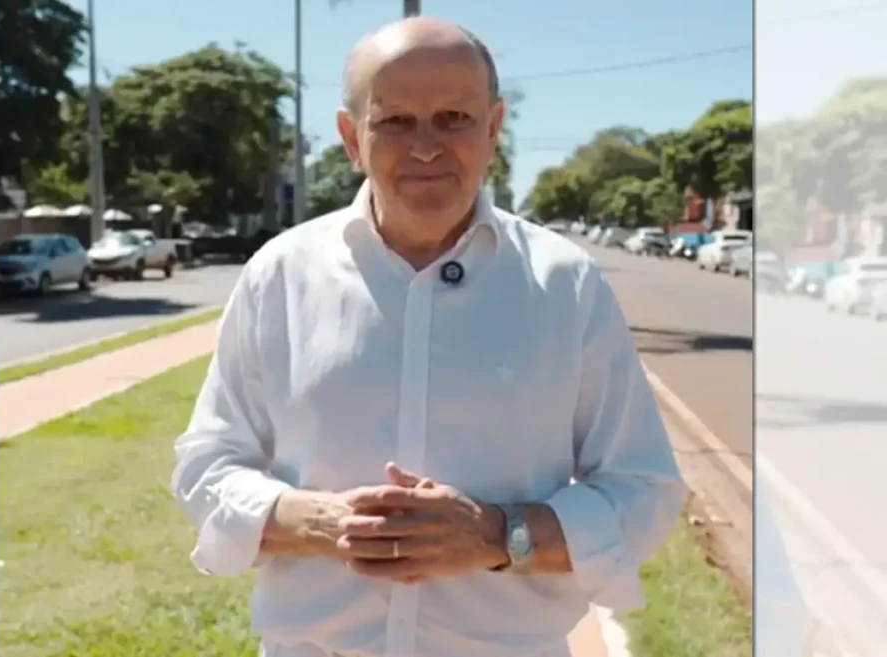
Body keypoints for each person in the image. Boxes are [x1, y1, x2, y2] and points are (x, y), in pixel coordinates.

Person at [173, 16, 684, 657]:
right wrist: (323, 523)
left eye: (453, 118)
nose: (425, 147)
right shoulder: (280, 274)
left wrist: (496, 535)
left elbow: (642, 490)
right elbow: (207, 465)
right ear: (351, 138)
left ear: (493, 129)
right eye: (394, 121)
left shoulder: (567, 284)